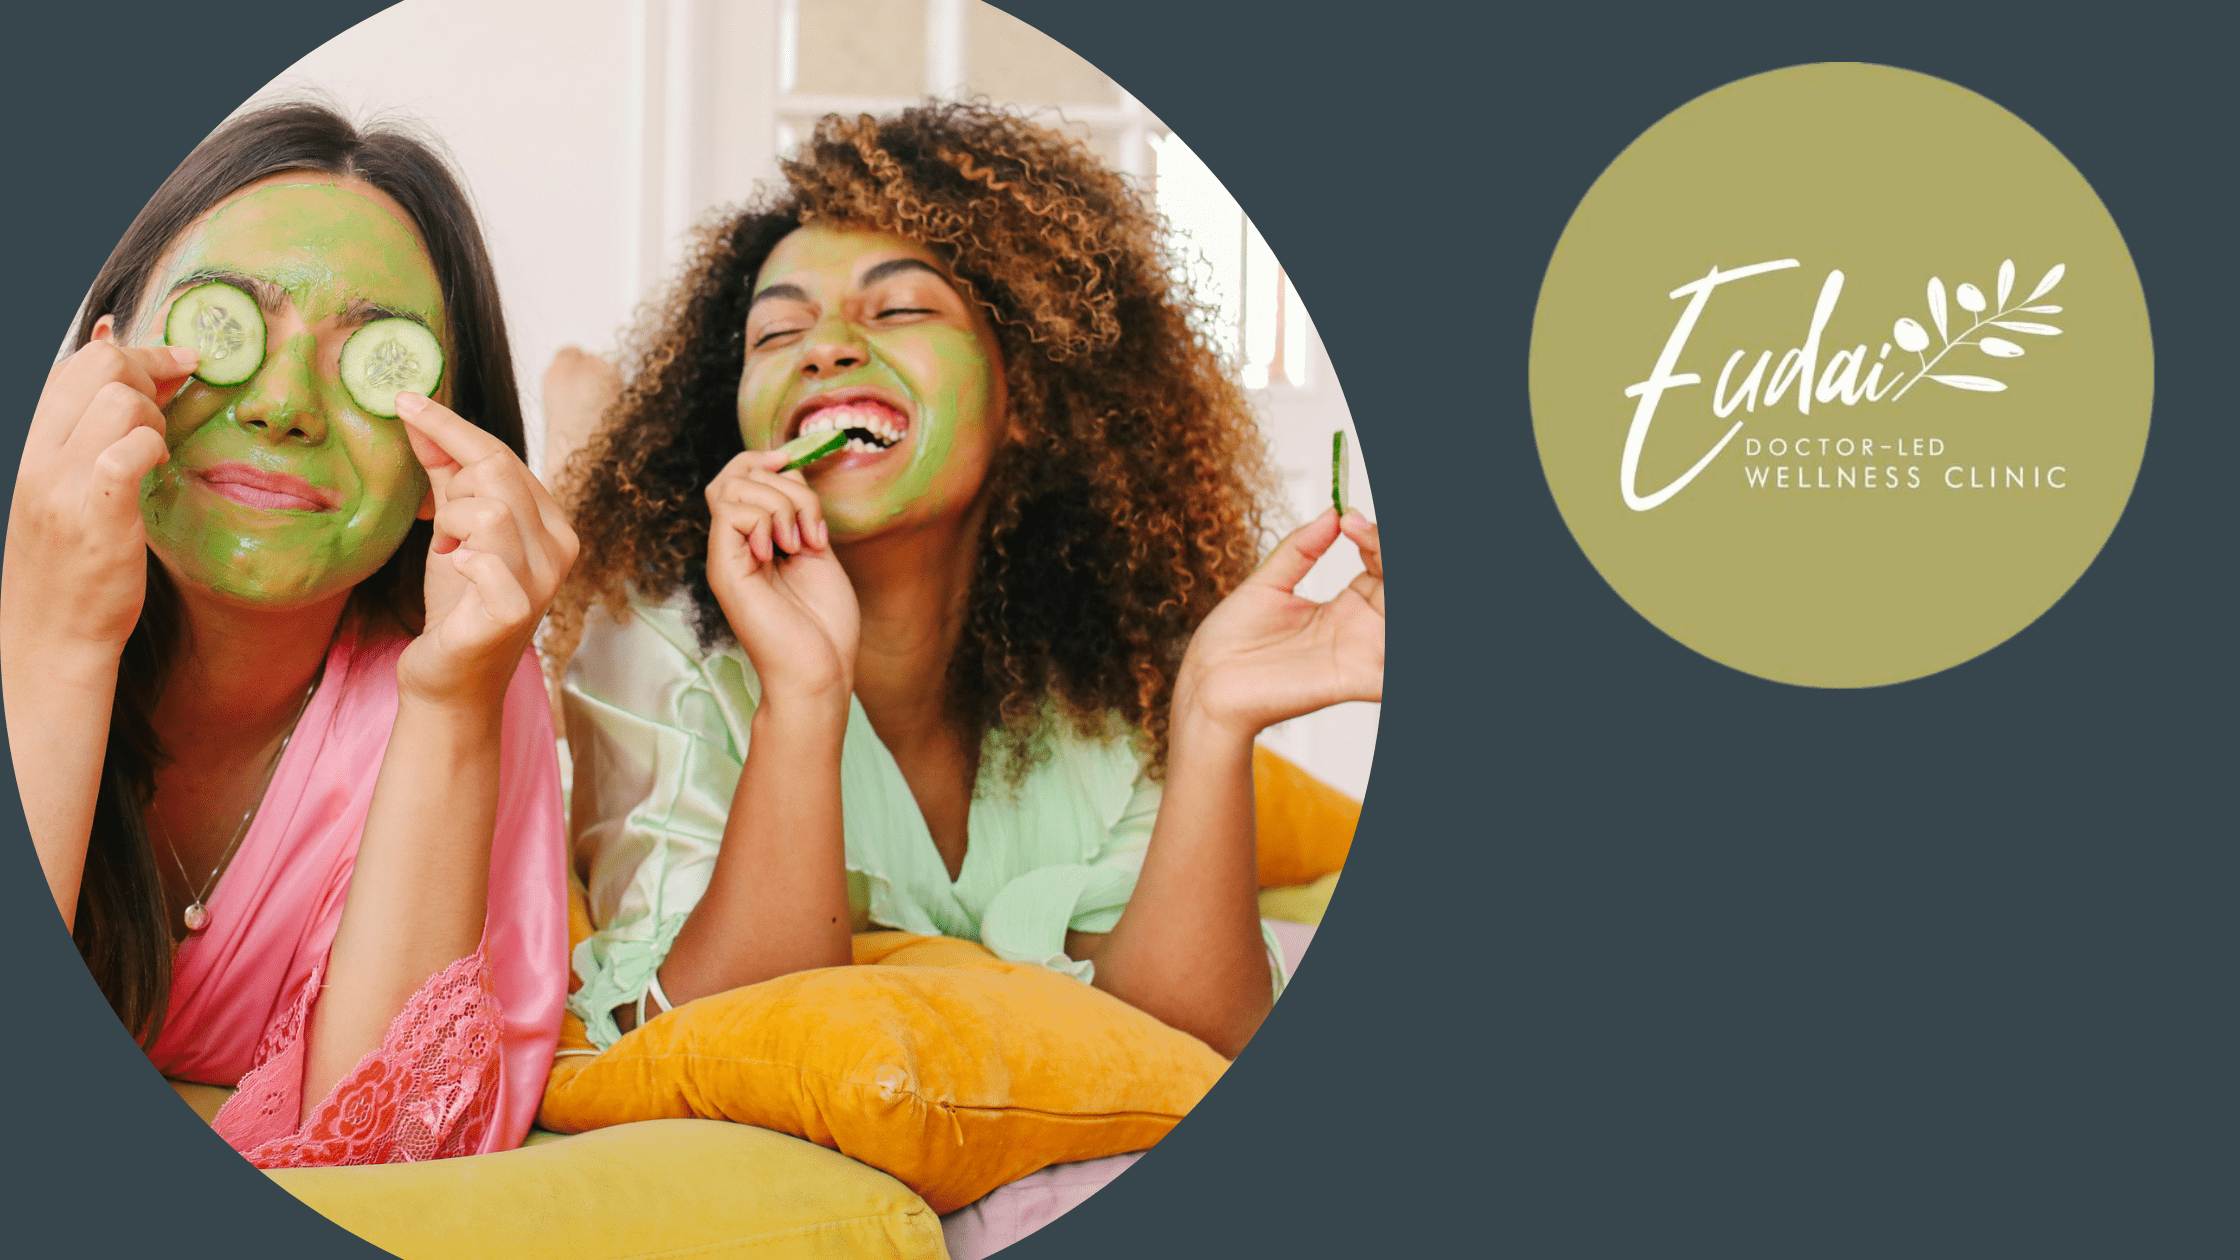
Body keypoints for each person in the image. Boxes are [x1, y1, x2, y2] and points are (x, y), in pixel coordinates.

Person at [550, 102, 1381, 1061]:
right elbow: (698, 1041)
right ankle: (577, 412)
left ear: (1022, 398)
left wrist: (1211, 722)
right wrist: (804, 695)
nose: (823, 345)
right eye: (775, 336)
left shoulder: (1106, 672)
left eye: (899, 309)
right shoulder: (651, 636)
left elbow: (1192, 1042)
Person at [2, 102, 578, 1165]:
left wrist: (452, 703)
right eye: (227, 326)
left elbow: (387, 1159)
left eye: (379, 362)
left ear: (440, 464)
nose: (283, 406)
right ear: (105, 362)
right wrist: (57, 640)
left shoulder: (470, 674)